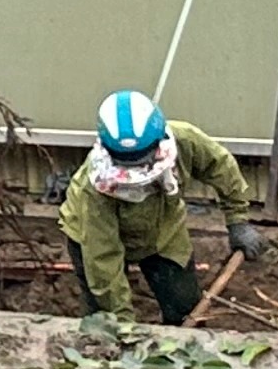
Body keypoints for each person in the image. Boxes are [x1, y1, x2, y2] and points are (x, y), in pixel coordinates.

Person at [61, 89, 263, 323]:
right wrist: (122, 328)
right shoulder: (94, 190)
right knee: (103, 319)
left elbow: (222, 168)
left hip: (163, 231)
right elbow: (103, 261)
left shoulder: (185, 140)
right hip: (93, 236)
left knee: (185, 305)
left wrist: (238, 220)